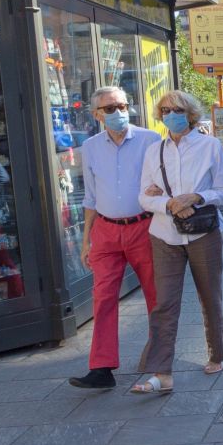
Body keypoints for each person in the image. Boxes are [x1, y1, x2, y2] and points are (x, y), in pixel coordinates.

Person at [131, 90, 223, 395]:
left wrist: (196, 197)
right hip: (165, 234)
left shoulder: (210, 146)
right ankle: (162, 373)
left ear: (189, 113)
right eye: (165, 110)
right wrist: (170, 204)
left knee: (209, 296)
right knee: (164, 303)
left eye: (176, 110)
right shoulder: (154, 151)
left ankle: (217, 354)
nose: (170, 115)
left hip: (204, 232)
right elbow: (144, 197)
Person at [69, 88, 160, 390]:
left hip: (143, 226)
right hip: (105, 230)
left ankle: (160, 358)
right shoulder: (90, 147)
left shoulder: (149, 140)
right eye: (109, 108)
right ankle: (101, 367)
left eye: (122, 105)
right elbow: (90, 197)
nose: (118, 112)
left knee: (156, 295)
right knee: (103, 297)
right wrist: (86, 242)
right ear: (96, 114)